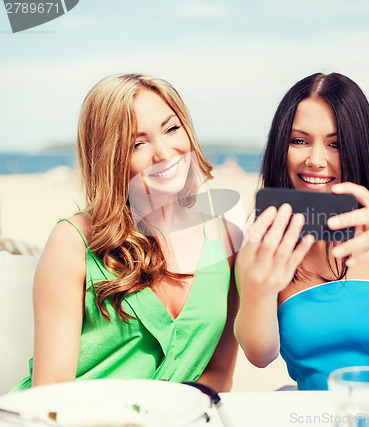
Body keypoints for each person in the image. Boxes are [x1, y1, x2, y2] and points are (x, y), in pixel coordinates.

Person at [12, 73, 240, 393]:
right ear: (110, 157)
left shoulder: (227, 239)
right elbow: (51, 390)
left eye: (172, 128)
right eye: (138, 143)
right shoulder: (74, 240)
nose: (164, 153)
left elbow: (218, 373)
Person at [234, 72, 369, 394]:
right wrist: (258, 292)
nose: (316, 160)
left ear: (360, 149)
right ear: (281, 147)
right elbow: (260, 356)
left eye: (336, 144)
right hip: (316, 416)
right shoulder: (265, 244)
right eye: (299, 141)